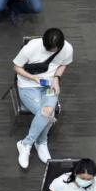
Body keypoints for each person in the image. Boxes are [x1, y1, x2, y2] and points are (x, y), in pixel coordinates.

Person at [13, 28, 73, 169]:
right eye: (50, 50)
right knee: (48, 114)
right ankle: (39, 142)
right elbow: (16, 67)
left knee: (46, 112)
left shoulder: (67, 48)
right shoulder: (31, 48)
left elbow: (64, 64)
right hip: (28, 85)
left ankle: (27, 143)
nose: (52, 52)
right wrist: (33, 77)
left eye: (55, 50)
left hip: (49, 85)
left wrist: (56, 79)